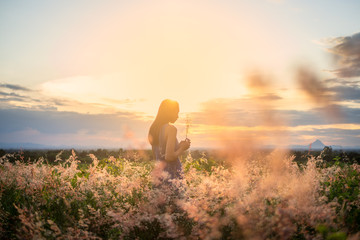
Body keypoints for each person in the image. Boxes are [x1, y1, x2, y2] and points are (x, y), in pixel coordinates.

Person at [148, 99, 191, 180]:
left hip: (159, 177)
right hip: (172, 177)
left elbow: (160, 155)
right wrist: (182, 148)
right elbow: (169, 157)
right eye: (176, 112)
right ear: (169, 112)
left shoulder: (154, 129)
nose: (177, 116)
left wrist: (178, 146)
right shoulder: (171, 129)